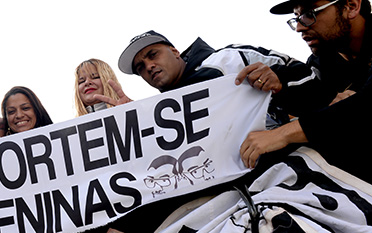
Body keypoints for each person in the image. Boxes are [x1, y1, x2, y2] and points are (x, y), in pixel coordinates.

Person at [240, 0, 372, 181]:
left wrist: (281, 135)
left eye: (310, 14)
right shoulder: (323, 62)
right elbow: (315, 100)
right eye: (296, 18)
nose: (299, 27)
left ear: (351, 6)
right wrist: (278, 83)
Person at [100, 30, 330, 127]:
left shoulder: (229, 58)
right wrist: (136, 120)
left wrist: (280, 84)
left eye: (153, 55)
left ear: (175, 51)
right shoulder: (160, 113)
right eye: (140, 67)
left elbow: (315, 81)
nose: (148, 66)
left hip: (292, 163)